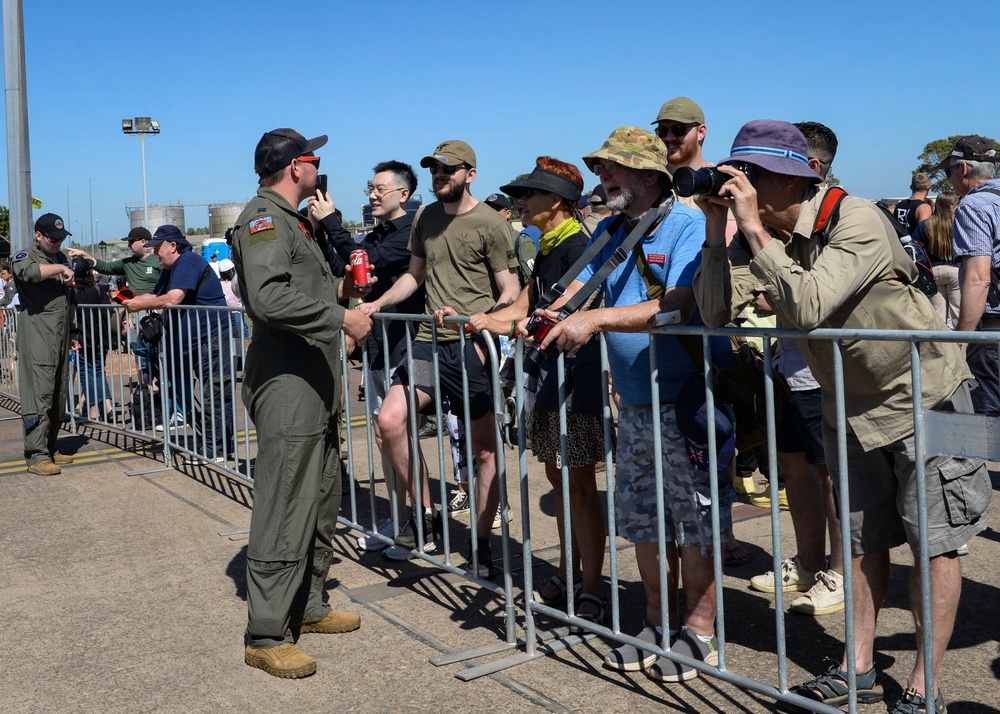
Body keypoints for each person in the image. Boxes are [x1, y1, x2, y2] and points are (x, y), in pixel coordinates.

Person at [693, 120, 990, 714]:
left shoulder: (854, 218)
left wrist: (751, 228)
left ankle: (924, 683)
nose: (741, 183)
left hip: (931, 394)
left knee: (936, 544)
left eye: (753, 174)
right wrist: (714, 226)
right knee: (857, 542)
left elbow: (806, 306)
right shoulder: (763, 233)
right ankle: (856, 665)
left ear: (794, 178)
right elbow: (714, 310)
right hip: (850, 408)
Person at [530, 127, 725, 683]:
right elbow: (579, 287)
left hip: (686, 398)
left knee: (694, 523)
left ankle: (699, 630)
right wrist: (547, 315)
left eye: (612, 168)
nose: (602, 177)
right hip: (636, 403)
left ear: (647, 174)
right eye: (600, 168)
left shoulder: (685, 224)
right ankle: (656, 624)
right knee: (644, 521)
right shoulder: (614, 228)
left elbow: (680, 303)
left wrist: (593, 319)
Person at [230, 128, 372, 679]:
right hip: (287, 379)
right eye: (314, 160)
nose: (320, 168)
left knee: (317, 497)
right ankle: (266, 631)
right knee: (285, 500)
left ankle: (307, 608)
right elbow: (267, 298)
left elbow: (298, 292)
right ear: (296, 167)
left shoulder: (295, 223)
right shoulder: (263, 219)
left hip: (311, 376)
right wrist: (342, 318)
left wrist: (339, 295)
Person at [459, 156, 610, 623]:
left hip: (576, 377)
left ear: (558, 202)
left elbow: (560, 311)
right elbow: (527, 303)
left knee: (580, 485)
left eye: (531, 195)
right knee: (558, 479)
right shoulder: (549, 245)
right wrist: (490, 319)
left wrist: (509, 322)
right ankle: (568, 572)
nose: (522, 202)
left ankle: (592, 586)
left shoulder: (580, 246)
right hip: (549, 378)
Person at [360, 139, 520, 576]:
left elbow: (509, 288)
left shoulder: (490, 222)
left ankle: (483, 543)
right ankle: (427, 515)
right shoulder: (425, 218)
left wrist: (486, 320)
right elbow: (414, 276)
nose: (439, 176)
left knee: (484, 451)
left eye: (448, 170)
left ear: (469, 173)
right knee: (390, 420)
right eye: (434, 169)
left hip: (470, 343)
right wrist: (377, 305)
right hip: (429, 339)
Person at [738, 120, 846, 616]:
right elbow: (733, 298)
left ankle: (840, 574)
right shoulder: (771, 227)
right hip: (787, 363)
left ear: (806, 170)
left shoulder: (841, 222)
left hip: (825, 372)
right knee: (794, 471)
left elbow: (810, 301)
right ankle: (806, 561)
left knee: (833, 478)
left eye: (756, 171)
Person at [310, 159, 425, 558]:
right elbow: (348, 265)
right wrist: (327, 230)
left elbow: (364, 261)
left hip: (403, 343)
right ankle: (400, 518)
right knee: (382, 434)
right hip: (377, 344)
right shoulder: (377, 233)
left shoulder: (410, 232)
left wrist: (333, 224)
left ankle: (420, 522)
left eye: (380, 189)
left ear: (403, 195)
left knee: (398, 432)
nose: (373, 195)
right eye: (369, 189)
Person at [123, 225, 235, 463]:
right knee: (207, 392)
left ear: (173, 246)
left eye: (158, 248)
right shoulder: (172, 268)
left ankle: (215, 449)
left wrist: (139, 307)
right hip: (198, 342)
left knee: (212, 393)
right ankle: (218, 445)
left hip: (211, 339)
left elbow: (173, 299)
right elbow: (154, 296)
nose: (155, 254)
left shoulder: (188, 263)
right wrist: (128, 301)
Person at [11, 213, 77, 475]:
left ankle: (50, 448)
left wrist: (74, 330)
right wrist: (61, 269)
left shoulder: (61, 257)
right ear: (38, 236)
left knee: (59, 394)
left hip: (59, 335)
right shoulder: (25, 256)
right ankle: (36, 455)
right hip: (37, 335)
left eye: (61, 239)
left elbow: (70, 298)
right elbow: (30, 273)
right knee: (40, 395)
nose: (58, 244)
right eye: (53, 239)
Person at [944, 135, 1000, 415]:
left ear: (963, 169)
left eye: (949, 171)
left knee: (986, 427)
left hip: (992, 334)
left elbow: (979, 278)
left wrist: (963, 341)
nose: (949, 179)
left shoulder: (973, 206)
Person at [71, 259, 118, 421]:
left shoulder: (72, 292)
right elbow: (108, 314)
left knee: (85, 372)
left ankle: (93, 410)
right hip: (98, 338)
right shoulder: (98, 290)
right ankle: (107, 406)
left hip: (80, 337)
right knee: (97, 371)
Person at [912, 193, 960, 328]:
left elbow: (914, 246)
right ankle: (960, 348)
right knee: (957, 314)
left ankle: (939, 347)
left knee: (937, 315)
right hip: (955, 270)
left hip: (932, 272)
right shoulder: (958, 224)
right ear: (952, 206)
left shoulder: (925, 225)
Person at [485, 191, 536, 287]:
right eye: (487, 210)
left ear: (508, 213)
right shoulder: (485, 240)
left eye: (495, 210)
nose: (489, 215)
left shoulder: (520, 240)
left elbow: (530, 280)